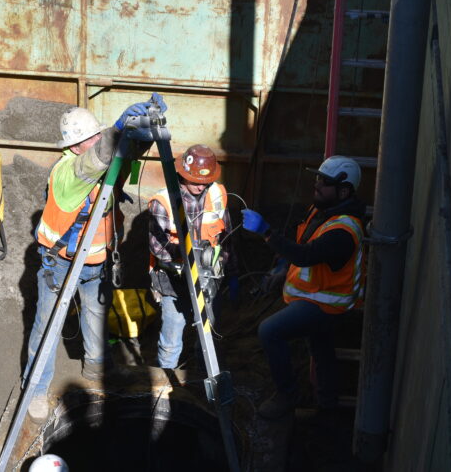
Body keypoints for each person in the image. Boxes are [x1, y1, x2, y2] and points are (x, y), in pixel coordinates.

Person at [24, 95, 165, 419]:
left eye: (99, 135)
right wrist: (118, 129)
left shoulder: (97, 158)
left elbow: (117, 156)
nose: (99, 141)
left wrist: (142, 131)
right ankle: (36, 390)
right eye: (92, 139)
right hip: (60, 263)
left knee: (95, 316)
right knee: (47, 326)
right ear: (74, 147)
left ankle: (97, 370)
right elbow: (96, 161)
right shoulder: (68, 172)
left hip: (95, 260)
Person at [241, 156, 366, 419]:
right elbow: (303, 244)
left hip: (328, 306)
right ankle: (327, 408)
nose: (317, 185)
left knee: (269, 331)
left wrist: (266, 232)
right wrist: (283, 265)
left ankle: (287, 395)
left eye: (325, 182)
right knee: (321, 352)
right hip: (314, 297)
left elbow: (307, 255)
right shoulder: (321, 212)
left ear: (344, 191)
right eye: (317, 179)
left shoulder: (343, 230)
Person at [147, 145, 232, 371]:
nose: (200, 186)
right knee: (171, 339)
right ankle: (164, 385)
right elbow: (157, 246)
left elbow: (226, 237)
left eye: (204, 181)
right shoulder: (163, 202)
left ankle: (201, 381)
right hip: (174, 281)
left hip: (208, 281)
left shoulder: (218, 194)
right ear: (182, 173)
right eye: (194, 180)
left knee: (207, 337)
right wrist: (188, 255)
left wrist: (222, 266)